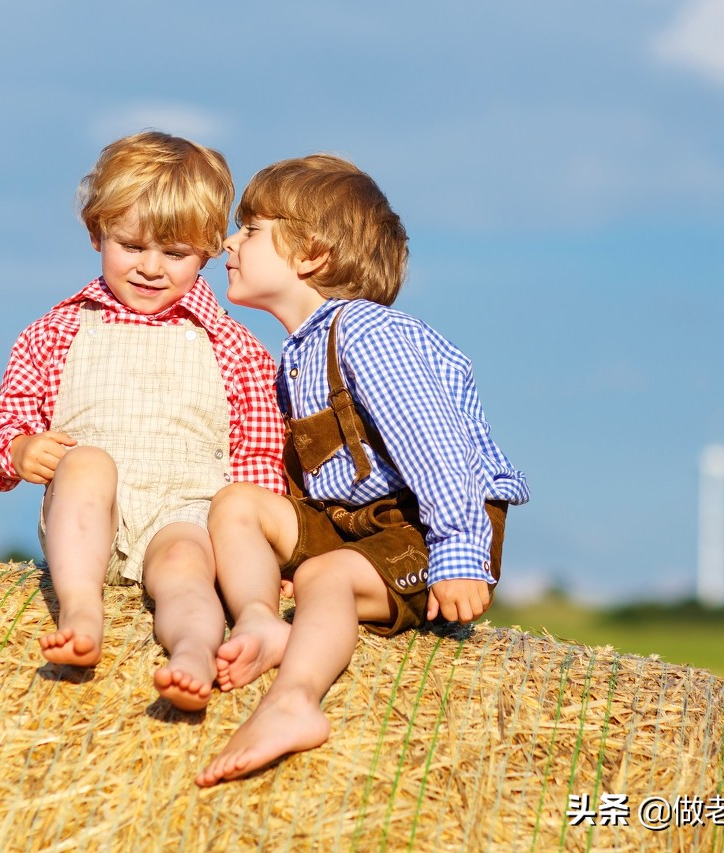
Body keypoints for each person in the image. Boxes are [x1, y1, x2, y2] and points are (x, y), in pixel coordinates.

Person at [195, 154, 529, 786]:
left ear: (311, 255)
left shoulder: (371, 335)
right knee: (238, 503)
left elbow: (437, 446)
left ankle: (294, 701)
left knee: (327, 574)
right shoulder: (298, 357)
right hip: (351, 525)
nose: (228, 245)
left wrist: (459, 552)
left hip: (426, 529)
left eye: (251, 231)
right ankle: (261, 620)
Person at [0, 132, 285, 711]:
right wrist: (16, 449)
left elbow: (259, 462)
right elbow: (0, 418)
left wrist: (267, 558)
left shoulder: (236, 348)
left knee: (188, 570)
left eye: (176, 253)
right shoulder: (55, 332)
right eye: (132, 245)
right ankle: (83, 611)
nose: (151, 267)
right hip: (91, 520)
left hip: (185, 511)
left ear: (210, 250)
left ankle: (192, 653)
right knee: (85, 462)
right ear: (96, 232)